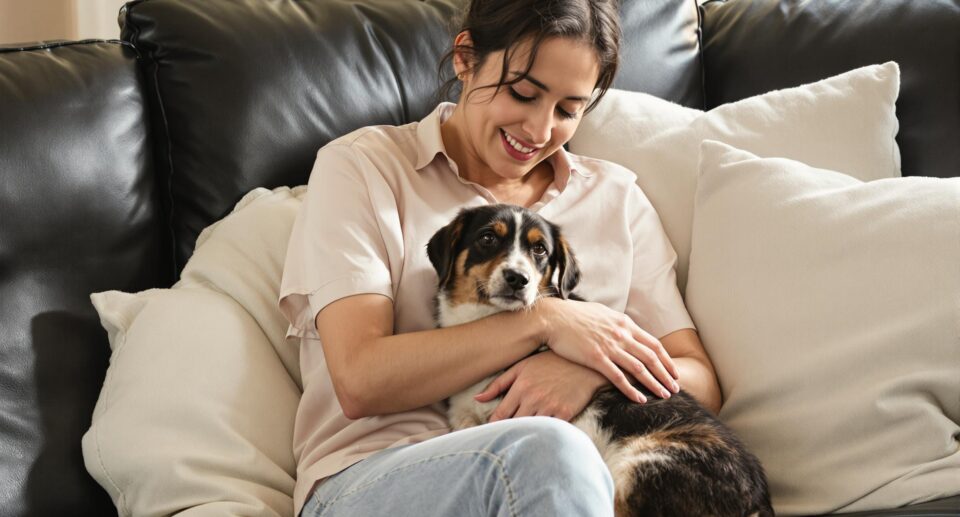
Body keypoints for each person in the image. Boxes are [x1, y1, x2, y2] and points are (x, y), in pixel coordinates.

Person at [279, 0, 721, 515]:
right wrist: (548, 320)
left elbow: (698, 380)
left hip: (588, 481)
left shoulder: (617, 199)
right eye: (523, 93)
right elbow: (359, 379)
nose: (538, 130)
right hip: (379, 478)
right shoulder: (364, 168)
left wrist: (588, 371)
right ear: (465, 58)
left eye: (567, 110)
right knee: (550, 451)